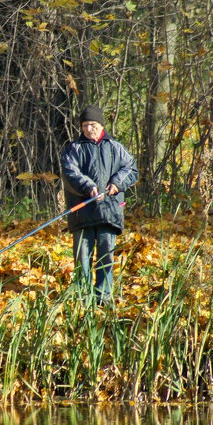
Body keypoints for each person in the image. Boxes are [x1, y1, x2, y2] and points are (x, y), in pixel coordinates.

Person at [60, 105, 138, 305]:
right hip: (82, 213)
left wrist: (117, 184)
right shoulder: (73, 148)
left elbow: (131, 169)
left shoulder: (115, 147)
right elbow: (70, 173)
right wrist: (88, 187)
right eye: (85, 125)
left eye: (92, 124)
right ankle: (83, 296)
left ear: (101, 125)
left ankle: (104, 296)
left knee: (106, 255)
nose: (88, 129)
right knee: (83, 256)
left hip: (109, 212)